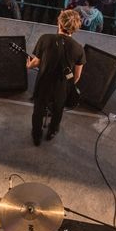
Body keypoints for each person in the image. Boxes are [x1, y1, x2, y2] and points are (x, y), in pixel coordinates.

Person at [26, 9, 85, 146]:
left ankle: (36, 135)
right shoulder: (79, 49)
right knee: (58, 110)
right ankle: (52, 131)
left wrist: (29, 65)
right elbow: (77, 76)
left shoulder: (45, 38)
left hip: (43, 83)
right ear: (75, 28)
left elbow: (36, 62)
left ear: (59, 23)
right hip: (62, 87)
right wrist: (67, 87)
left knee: (38, 110)